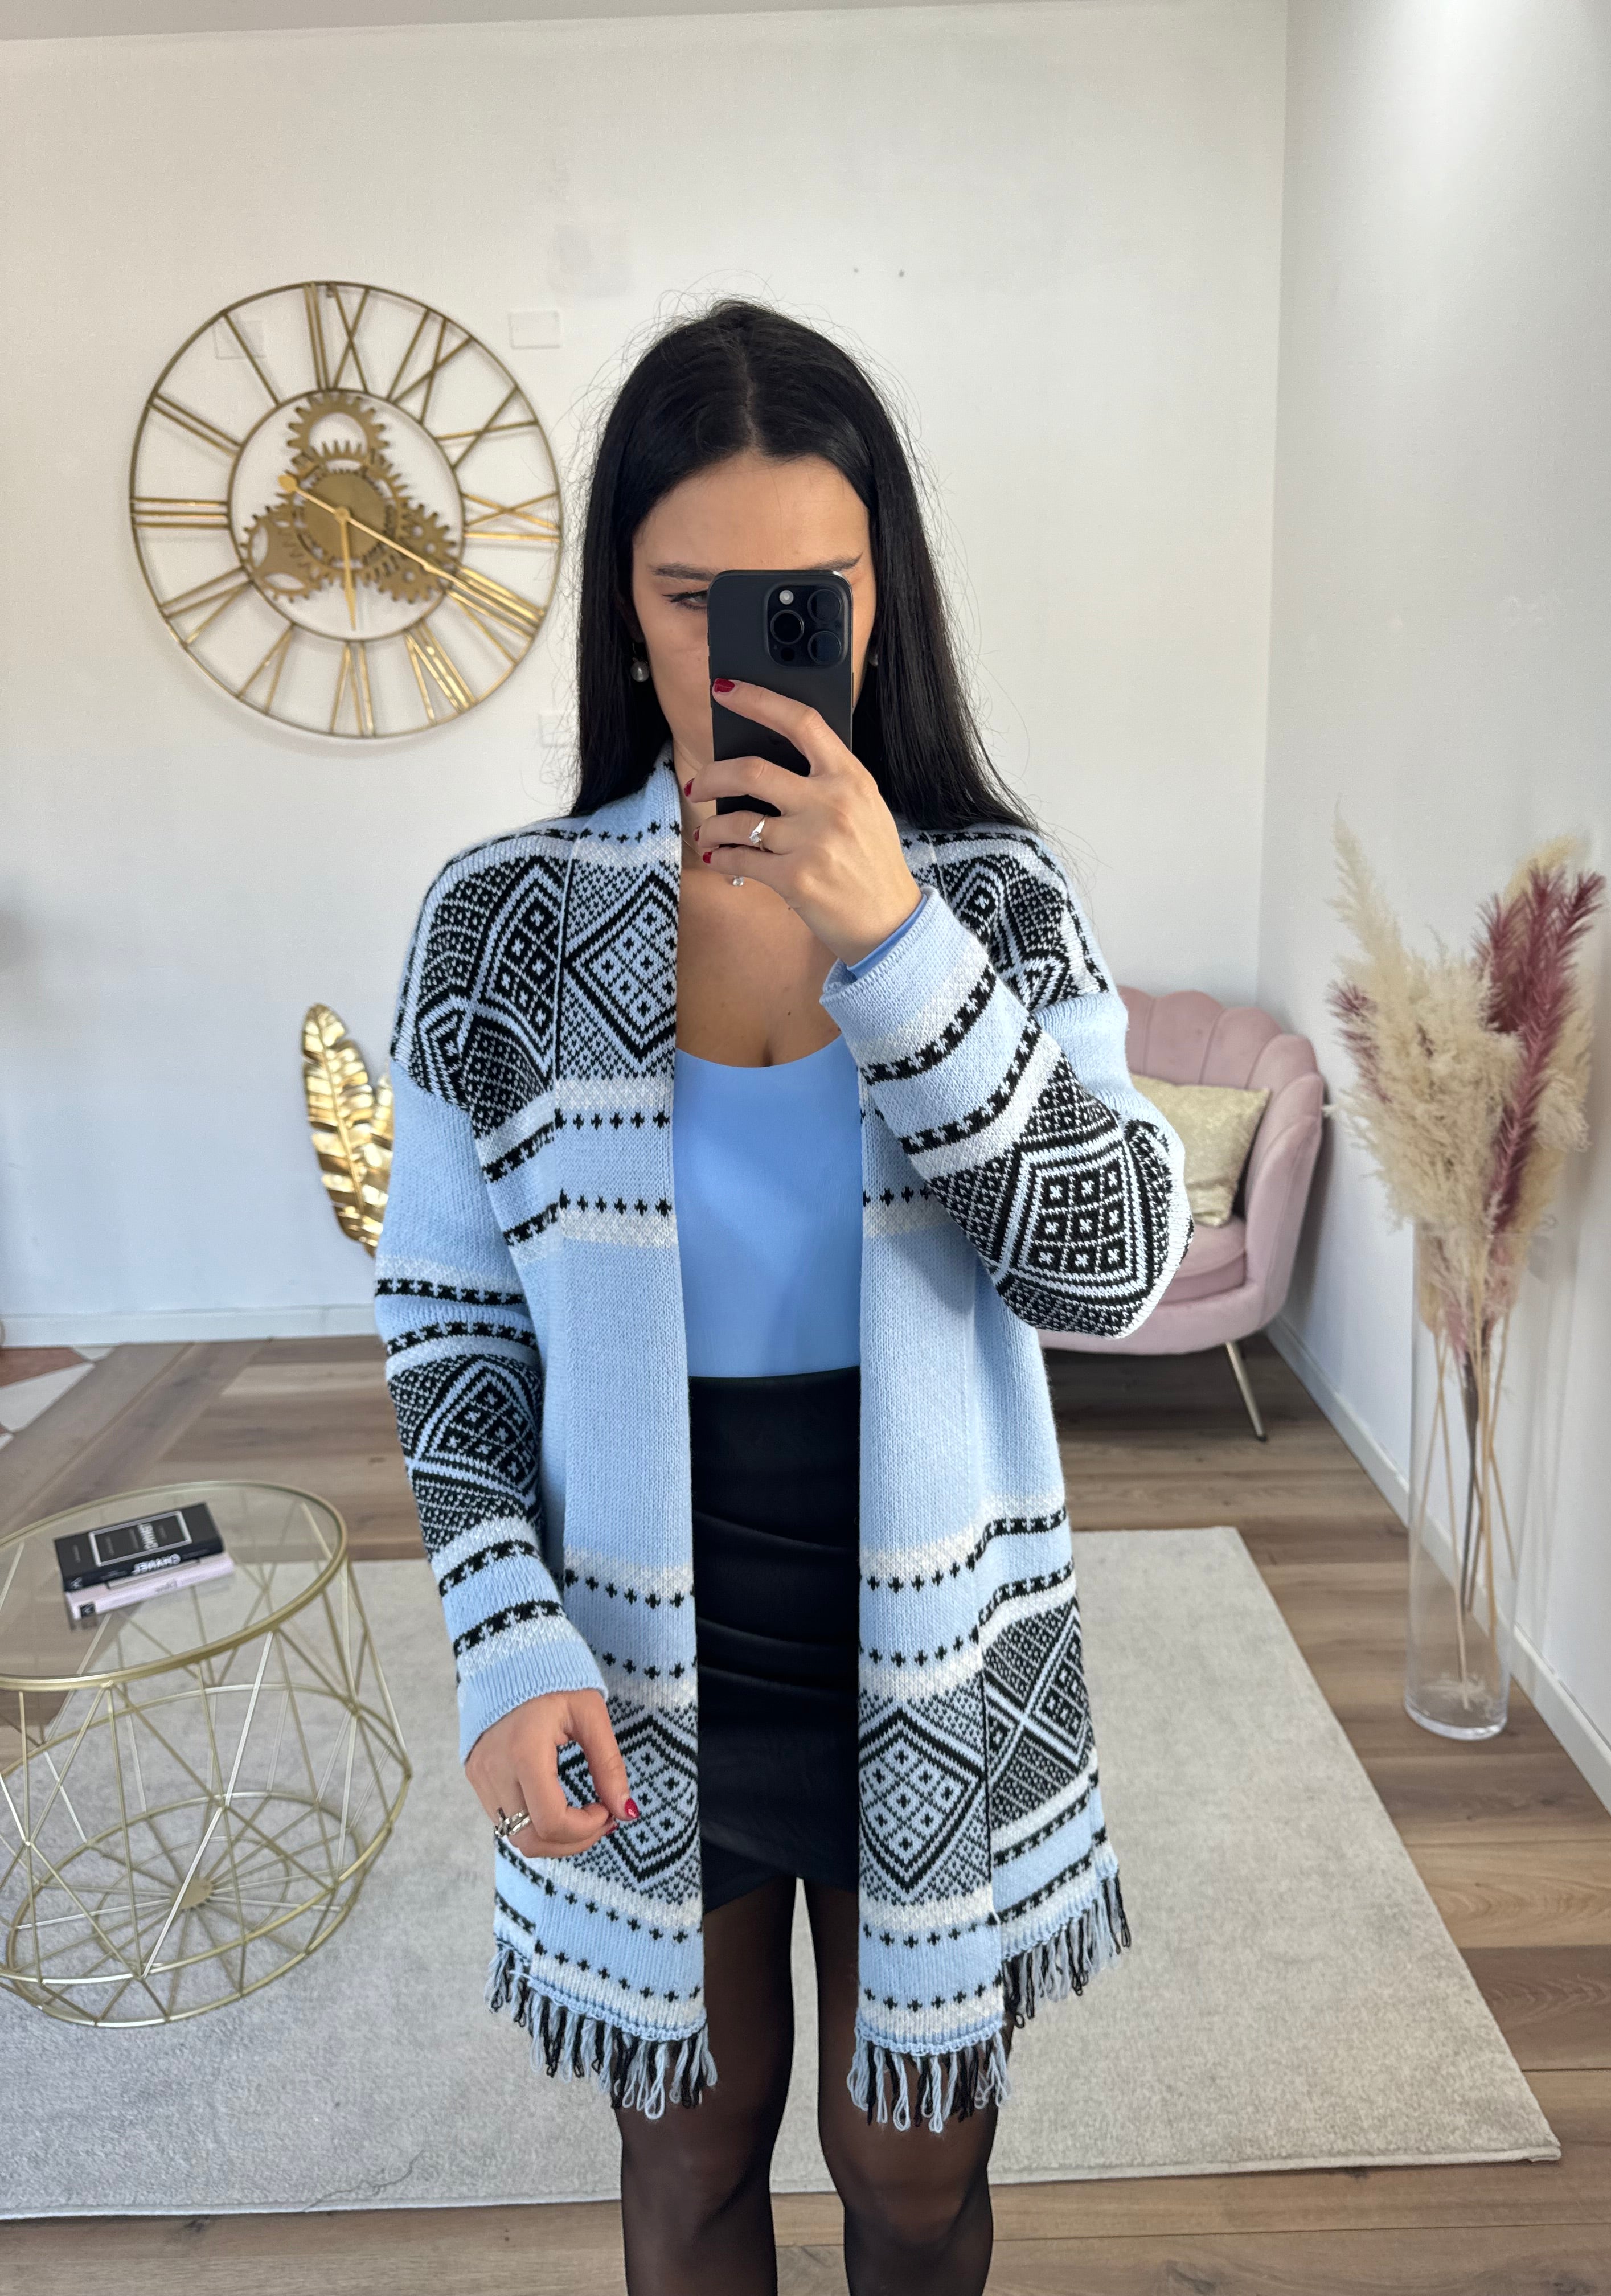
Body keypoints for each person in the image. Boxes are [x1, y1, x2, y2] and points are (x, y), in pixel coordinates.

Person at [375, 299, 1190, 2296]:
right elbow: (449, 1327)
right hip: (632, 1634)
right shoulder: (499, 926)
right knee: (693, 2151)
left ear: (877, 601)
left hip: (937, 1621)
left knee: (911, 2175)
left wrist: (893, 940)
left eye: (801, 599)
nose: (743, 654)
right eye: (693, 599)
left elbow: (1111, 1267)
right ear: (623, 609)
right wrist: (498, 1639)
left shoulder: (993, 903)